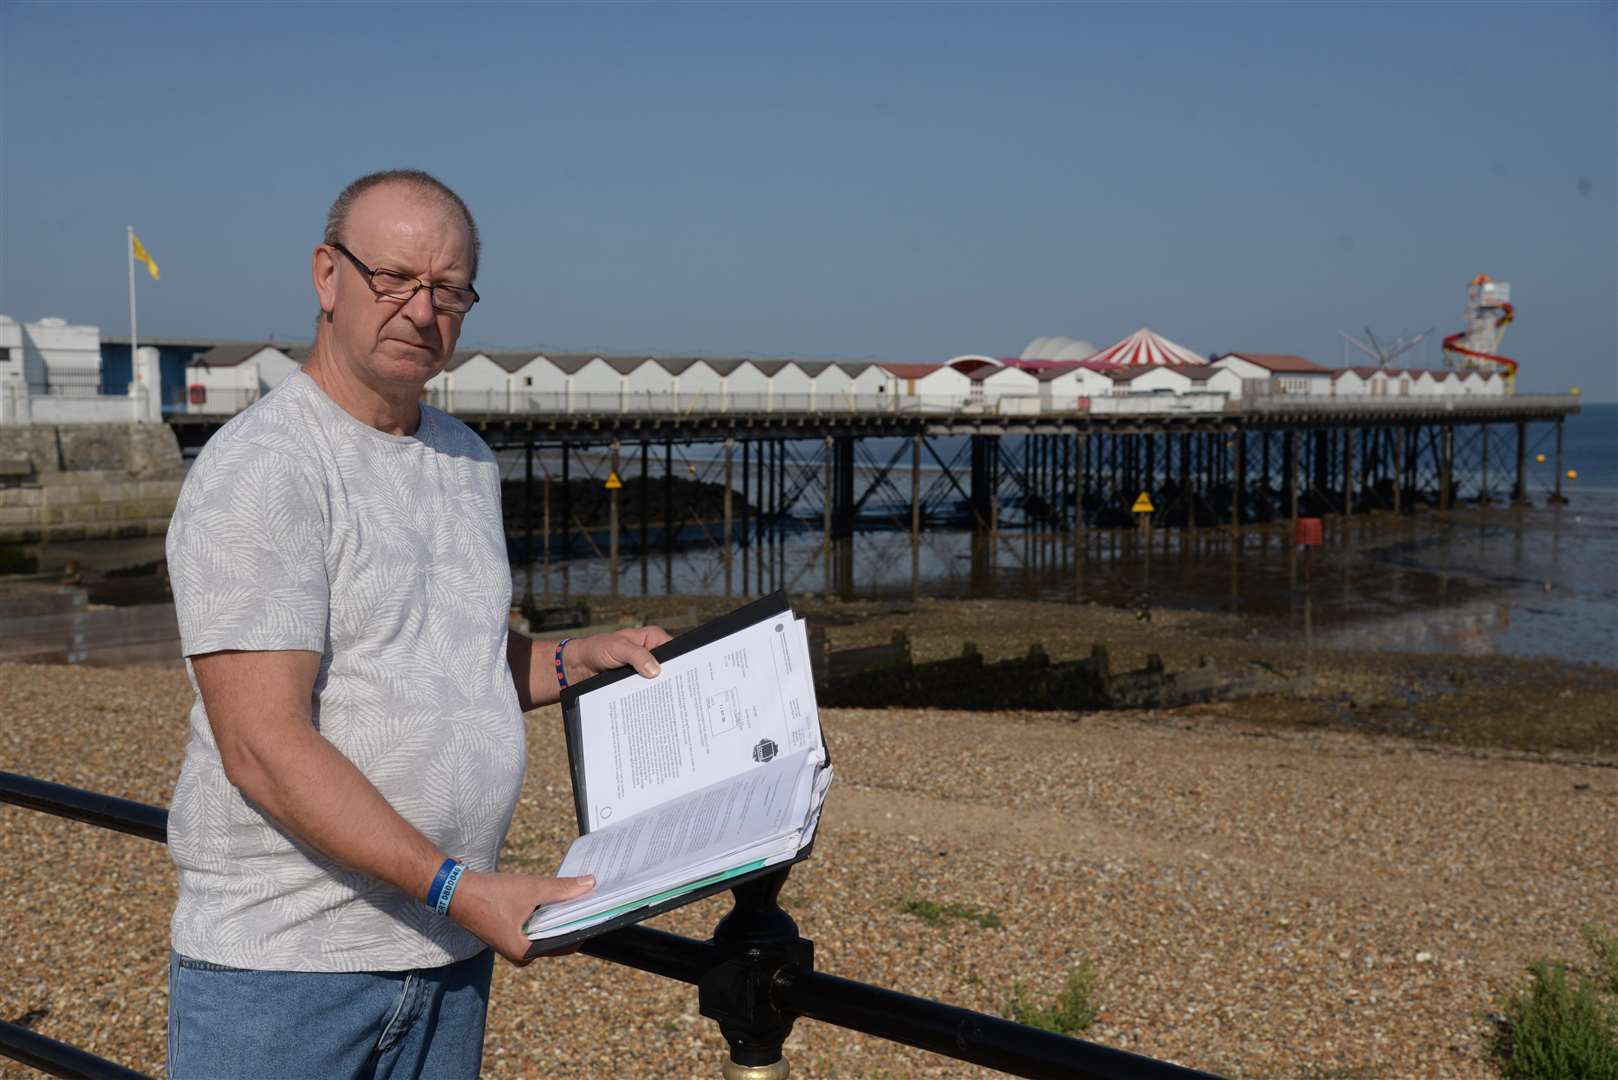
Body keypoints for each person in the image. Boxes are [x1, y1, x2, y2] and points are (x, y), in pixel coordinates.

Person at [163, 168, 670, 1079]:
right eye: (392, 278)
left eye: (447, 288)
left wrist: (577, 657)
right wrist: (461, 888)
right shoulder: (264, 467)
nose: (419, 309)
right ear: (328, 277)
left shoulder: (464, 457)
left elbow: (451, 665)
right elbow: (262, 745)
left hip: (444, 959)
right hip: (288, 972)